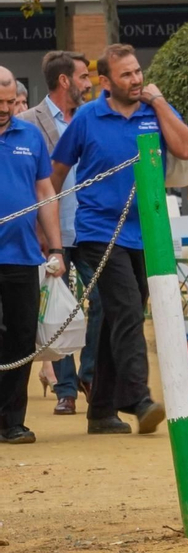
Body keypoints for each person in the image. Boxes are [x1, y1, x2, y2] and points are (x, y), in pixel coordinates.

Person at [51, 44, 188, 435]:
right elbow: (57, 171)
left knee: (119, 315)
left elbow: (184, 147)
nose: (136, 80)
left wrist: (160, 102)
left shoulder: (154, 111)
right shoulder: (87, 118)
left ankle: (100, 411)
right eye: (127, 75)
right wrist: (49, 233)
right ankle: (137, 397)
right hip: (99, 231)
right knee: (128, 309)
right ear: (106, 82)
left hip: (148, 231)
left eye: (137, 72)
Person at [20, 51, 92, 416]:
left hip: (93, 227)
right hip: (50, 232)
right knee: (56, 310)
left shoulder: (93, 117)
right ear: (64, 81)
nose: (90, 83)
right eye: (83, 77)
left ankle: (90, 372)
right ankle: (66, 388)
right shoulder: (27, 123)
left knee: (106, 303)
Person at [0, 67, 64, 444]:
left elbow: (46, 194)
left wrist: (55, 248)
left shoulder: (31, 135)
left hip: (23, 256)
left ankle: (12, 420)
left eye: (10, 101)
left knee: (22, 339)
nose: (6, 109)